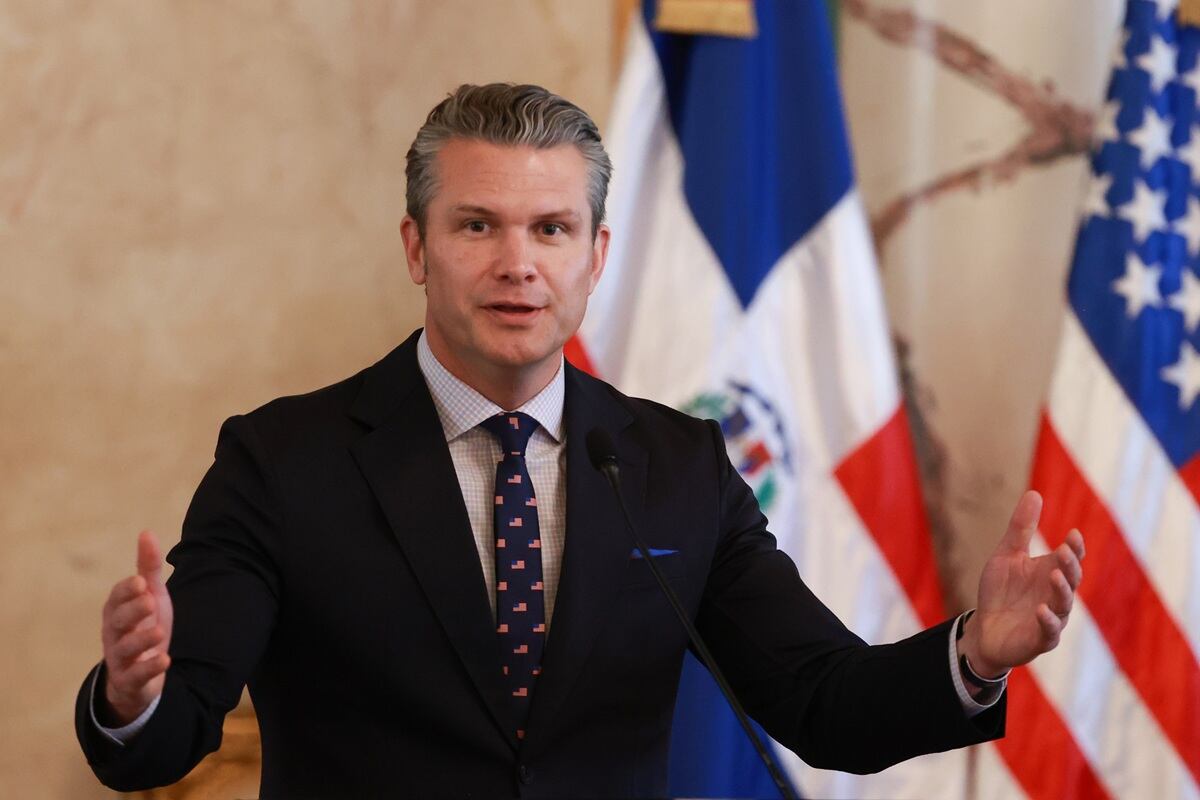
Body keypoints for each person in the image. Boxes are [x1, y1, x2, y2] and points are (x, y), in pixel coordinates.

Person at [76, 83, 1085, 799]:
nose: (518, 263)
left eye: (551, 229)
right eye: (478, 226)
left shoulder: (674, 464)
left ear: (597, 256)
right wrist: (134, 690)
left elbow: (823, 700)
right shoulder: (282, 460)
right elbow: (166, 733)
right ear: (416, 247)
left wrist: (974, 652)